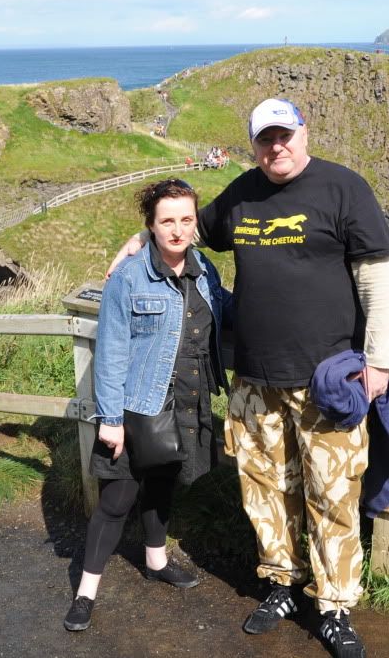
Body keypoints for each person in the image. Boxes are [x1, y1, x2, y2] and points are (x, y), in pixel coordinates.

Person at [107, 99, 389, 658]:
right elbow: (189, 229)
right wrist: (141, 241)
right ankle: (282, 584)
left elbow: (379, 277)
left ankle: (335, 606)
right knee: (266, 489)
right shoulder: (242, 192)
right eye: (265, 139)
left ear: (303, 133)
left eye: (285, 135)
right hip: (254, 378)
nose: (277, 147)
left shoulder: (344, 188)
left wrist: (378, 361)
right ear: (253, 145)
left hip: (328, 378)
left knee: (332, 494)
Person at [64, 178, 232, 633]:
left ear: (195, 222)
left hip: (187, 403)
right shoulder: (129, 276)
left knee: (162, 483)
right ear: (150, 227)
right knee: (117, 499)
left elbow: (228, 316)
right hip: (140, 406)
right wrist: (111, 420)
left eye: (185, 219)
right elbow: (112, 350)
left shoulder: (205, 270)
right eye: (166, 222)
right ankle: (85, 593)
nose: (177, 230)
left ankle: (157, 561)